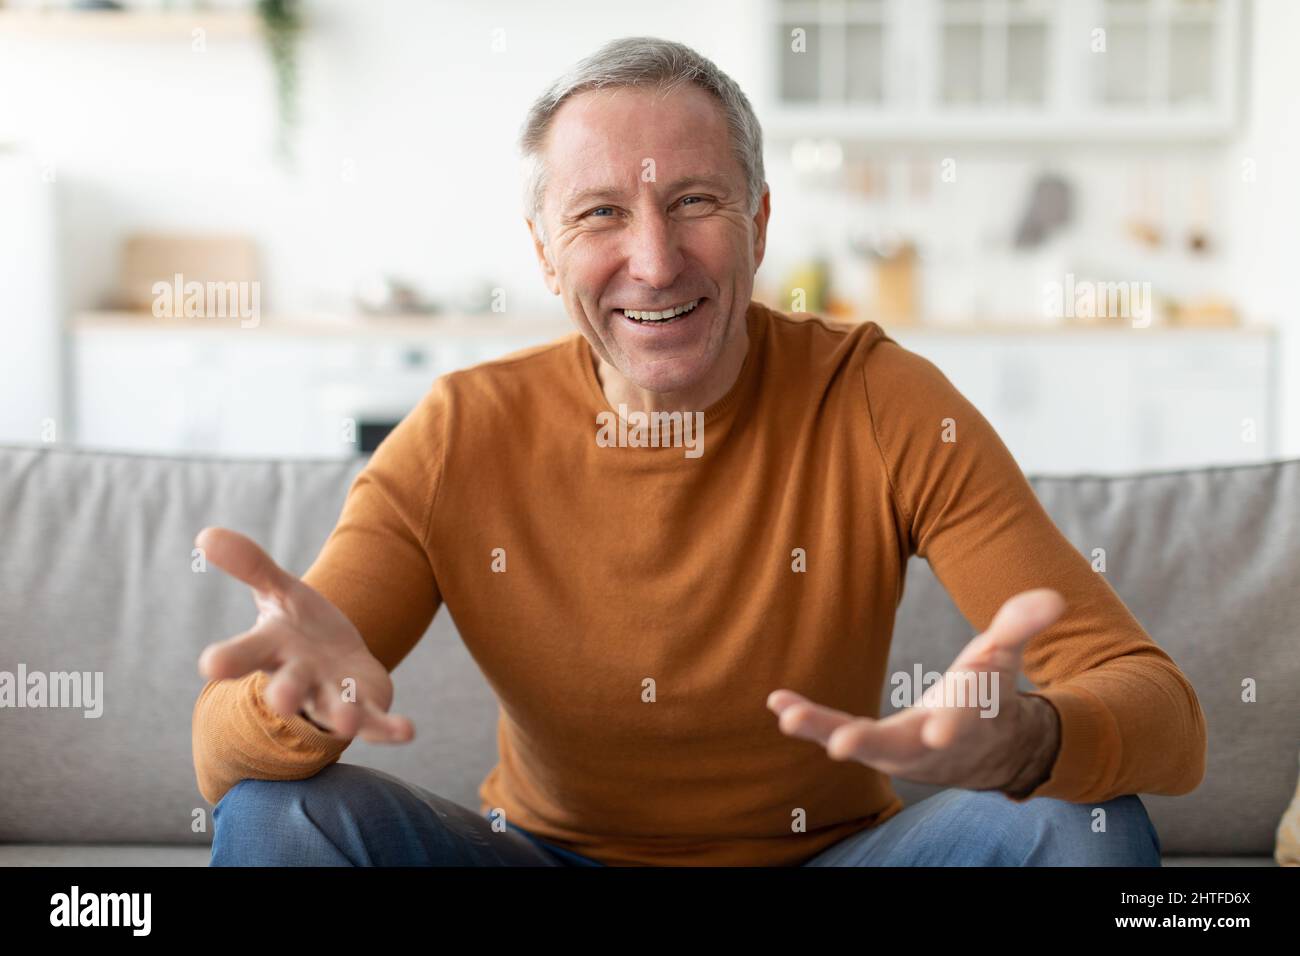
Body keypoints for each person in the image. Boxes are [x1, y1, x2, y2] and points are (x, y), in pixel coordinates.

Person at [192, 36, 1203, 867]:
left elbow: (1160, 709)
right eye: (600, 214)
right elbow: (217, 754)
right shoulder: (462, 429)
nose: (654, 258)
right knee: (277, 818)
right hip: (541, 861)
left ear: (758, 223)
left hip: (830, 861)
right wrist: (300, 708)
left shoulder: (879, 397)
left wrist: (1030, 737)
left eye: (693, 201)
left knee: (1085, 823)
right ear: (544, 251)